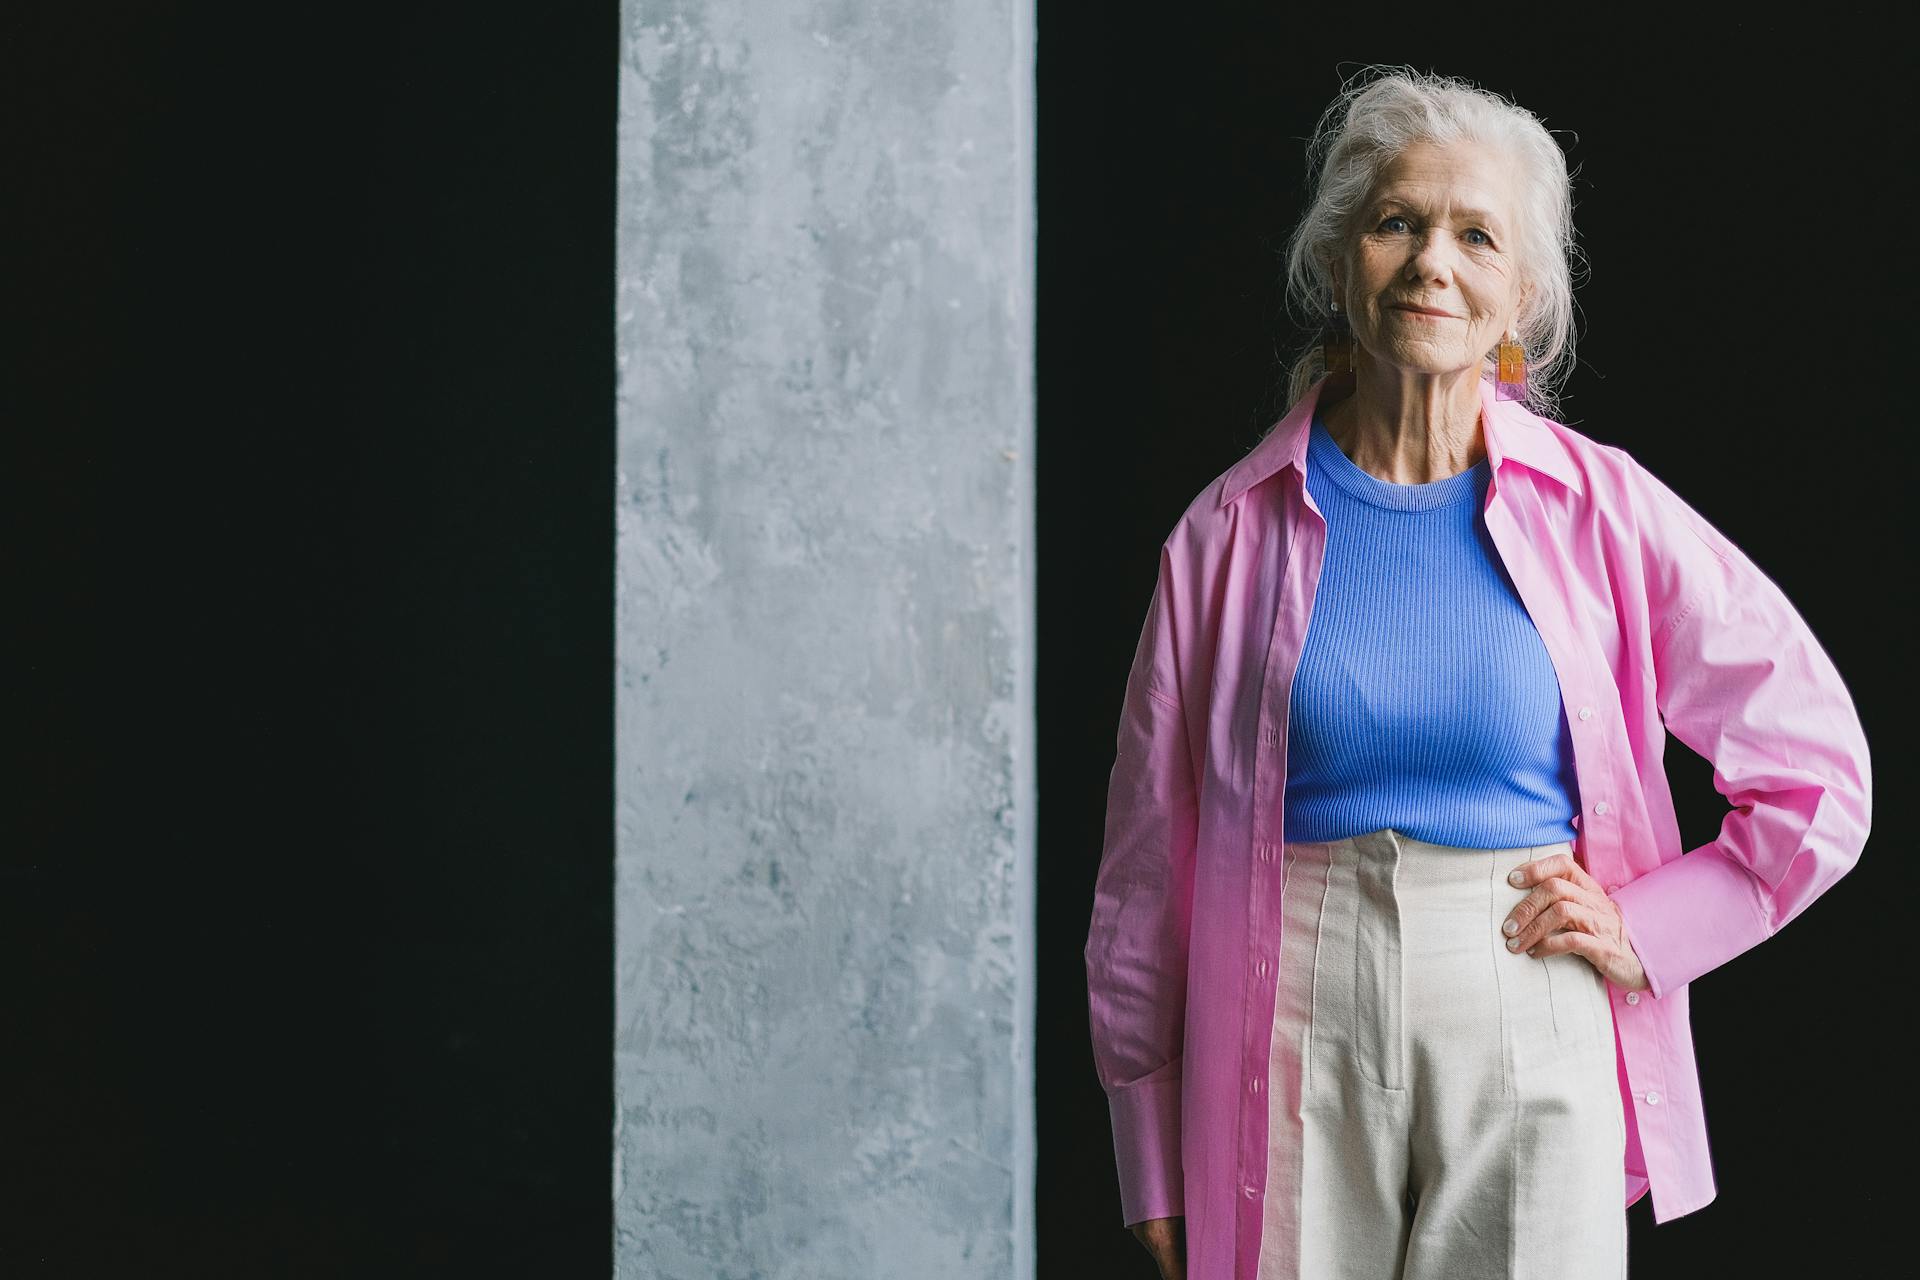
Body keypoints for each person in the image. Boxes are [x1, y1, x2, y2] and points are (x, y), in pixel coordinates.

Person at [1083, 67, 1872, 1280]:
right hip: (1286, 1009)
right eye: (1397, 222)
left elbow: (1819, 770)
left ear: (1522, 292)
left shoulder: (1602, 508)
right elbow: (1143, 865)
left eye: (1475, 234)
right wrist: (1147, 1134)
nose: (1431, 263)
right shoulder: (1224, 534)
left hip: (1528, 989)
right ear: (1340, 261)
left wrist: (1649, 924)